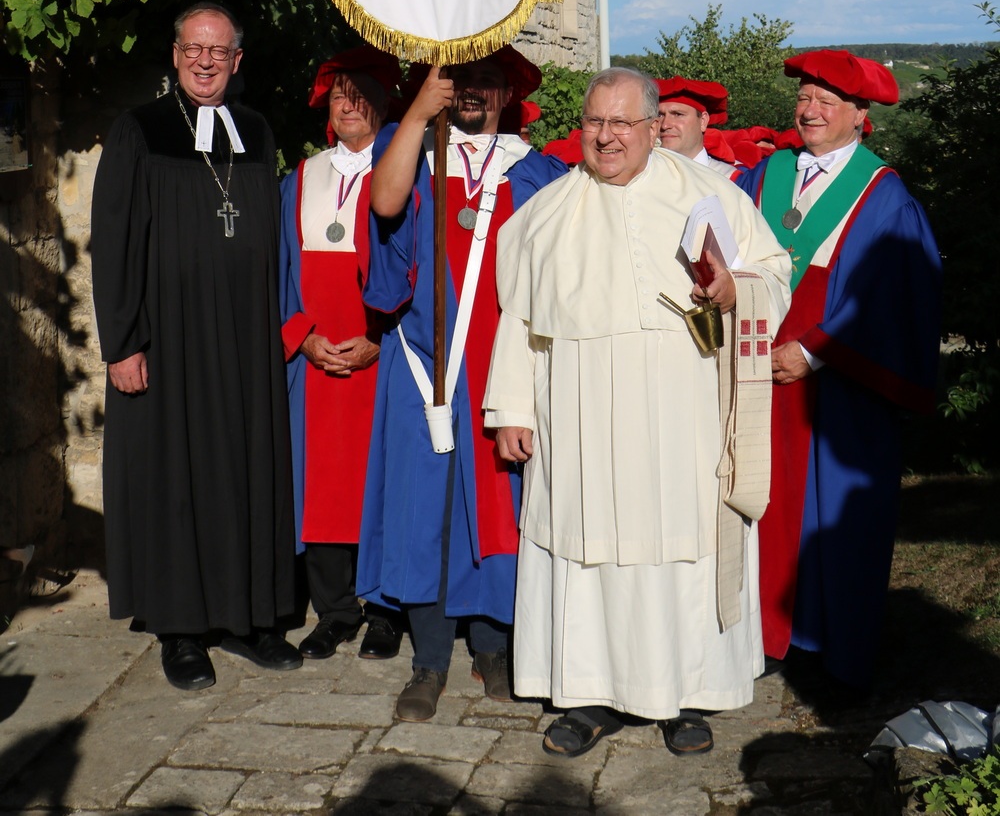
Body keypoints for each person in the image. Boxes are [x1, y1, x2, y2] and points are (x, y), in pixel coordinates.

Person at [485, 68, 792, 758]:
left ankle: (687, 696)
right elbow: (519, 321)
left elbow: (774, 272)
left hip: (682, 416)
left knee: (680, 547)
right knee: (584, 548)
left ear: (655, 128)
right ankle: (589, 695)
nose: (607, 137)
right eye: (595, 122)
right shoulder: (546, 212)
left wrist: (733, 290)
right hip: (579, 418)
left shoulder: (710, 196)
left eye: (622, 123)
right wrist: (512, 408)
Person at [90, 3, 300, 691]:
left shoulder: (256, 131)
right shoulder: (141, 130)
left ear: (237, 60)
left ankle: (250, 617)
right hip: (171, 338)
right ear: (176, 55)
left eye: (218, 50)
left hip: (244, 336)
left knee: (245, 469)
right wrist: (124, 342)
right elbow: (115, 242)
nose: (205, 61)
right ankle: (180, 631)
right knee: (178, 476)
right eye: (193, 49)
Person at [359, 48, 567, 722]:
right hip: (424, 365)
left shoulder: (537, 173)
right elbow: (385, 202)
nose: (473, 91)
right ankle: (428, 661)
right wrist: (421, 111)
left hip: (503, 369)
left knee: (502, 507)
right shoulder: (413, 151)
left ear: (508, 95)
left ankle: (493, 647)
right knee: (423, 509)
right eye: (461, 79)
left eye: (487, 81)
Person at [739, 50, 941, 687]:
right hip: (757, 373)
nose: (811, 110)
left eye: (828, 101)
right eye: (804, 97)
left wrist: (813, 351)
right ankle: (765, 638)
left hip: (842, 386)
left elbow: (892, 293)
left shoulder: (883, 194)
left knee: (837, 519)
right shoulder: (766, 174)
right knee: (761, 503)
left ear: (860, 114)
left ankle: (837, 654)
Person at [280, 46, 405, 663]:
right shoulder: (302, 178)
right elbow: (280, 271)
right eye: (338, 96)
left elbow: (416, 266)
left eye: (361, 95)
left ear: (385, 103)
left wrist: (379, 339)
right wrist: (302, 337)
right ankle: (334, 610)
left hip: (381, 356)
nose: (348, 105)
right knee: (322, 484)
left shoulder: (406, 172)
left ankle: (385, 610)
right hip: (316, 360)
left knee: (382, 481)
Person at [655, 77, 741, 177]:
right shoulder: (645, 176)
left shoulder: (729, 179)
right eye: (660, 115)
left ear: (703, 121)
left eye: (678, 114)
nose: (665, 125)